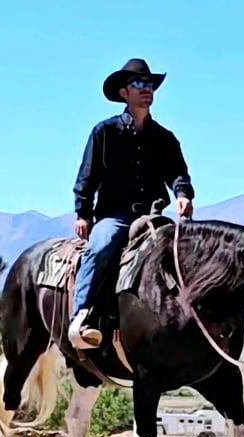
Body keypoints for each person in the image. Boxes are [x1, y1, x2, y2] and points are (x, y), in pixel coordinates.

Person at [68, 58, 195, 349]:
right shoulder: (104, 133)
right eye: (138, 84)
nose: (146, 89)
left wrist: (183, 195)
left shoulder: (164, 138)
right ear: (124, 93)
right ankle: (81, 317)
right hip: (114, 216)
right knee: (102, 246)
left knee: (185, 253)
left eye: (149, 84)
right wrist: (83, 213)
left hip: (154, 216)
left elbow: (178, 173)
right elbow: (88, 176)